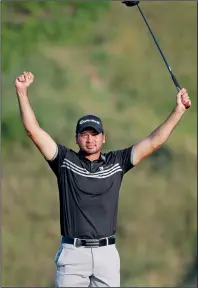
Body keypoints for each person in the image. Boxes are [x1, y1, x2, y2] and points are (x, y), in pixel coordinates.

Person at [15, 71, 191, 287]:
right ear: (77, 138)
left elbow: (154, 141)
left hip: (106, 255)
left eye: (95, 134)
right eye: (84, 134)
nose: (90, 140)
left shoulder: (116, 162)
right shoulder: (64, 161)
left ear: (103, 138)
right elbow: (33, 131)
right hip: (72, 254)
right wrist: (22, 93)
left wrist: (178, 111)